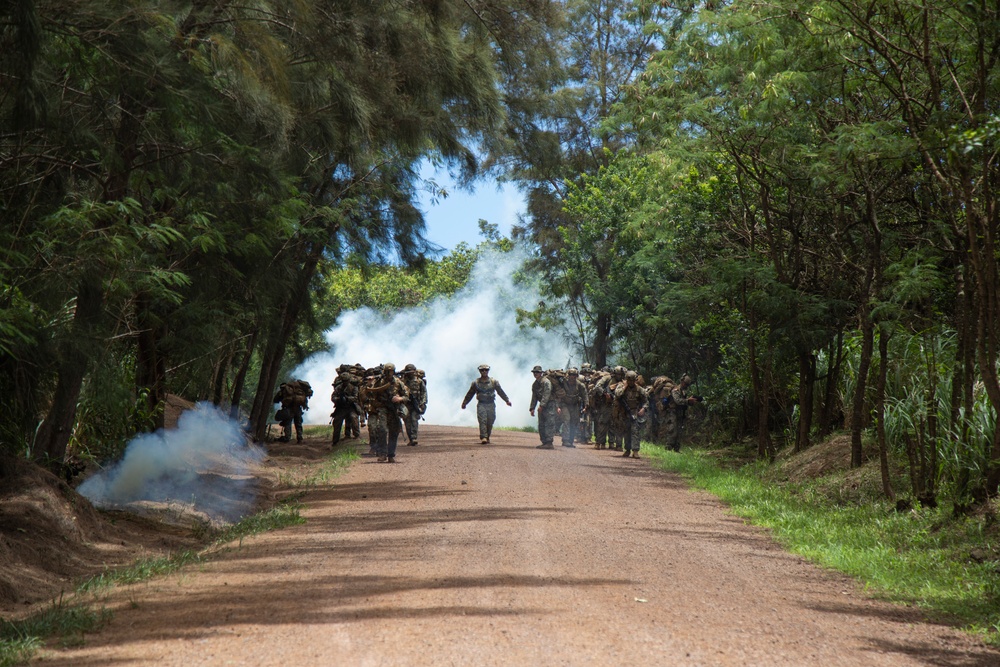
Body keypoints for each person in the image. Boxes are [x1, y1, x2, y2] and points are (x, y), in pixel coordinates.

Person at [368, 363, 409, 462]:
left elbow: (406, 396)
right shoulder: (379, 382)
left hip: (394, 410)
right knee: (382, 430)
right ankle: (382, 453)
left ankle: (391, 454)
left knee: (394, 433)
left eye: (391, 371)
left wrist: (399, 398)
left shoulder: (398, 382)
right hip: (383, 409)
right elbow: (371, 394)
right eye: (388, 371)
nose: (389, 373)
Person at [461, 364, 512, 444]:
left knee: (490, 421)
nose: (484, 371)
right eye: (482, 370)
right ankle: (483, 437)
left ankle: (487, 436)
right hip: (481, 404)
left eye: (486, 370)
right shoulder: (476, 383)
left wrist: (507, 400)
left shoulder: (494, 382)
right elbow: (470, 394)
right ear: (480, 371)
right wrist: (465, 403)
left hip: (491, 404)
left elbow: (500, 392)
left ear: (488, 371)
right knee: (482, 420)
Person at [615, 370, 648, 458]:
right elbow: (617, 395)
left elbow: (646, 401)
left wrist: (643, 409)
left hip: (634, 412)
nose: (631, 382)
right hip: (624, 413)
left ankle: (635, 450)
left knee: (635, 432)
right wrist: (624, 387)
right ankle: (627, 449)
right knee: (626, 432)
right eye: (629, 380)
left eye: (632, 380)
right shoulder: (621, 386)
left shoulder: (639, 389)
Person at [664, 374, 699, 452]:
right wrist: (687, 401)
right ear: (682, 382)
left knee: (680, 431)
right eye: (685, 384)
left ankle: (676, 449)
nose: (686, 386)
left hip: (680, 413)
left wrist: (690, 402)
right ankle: (668, 448)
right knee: (672, 430)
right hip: (672, 412)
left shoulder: (683, 391)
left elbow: (683, 402)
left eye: (687, 384)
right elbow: (678, 401)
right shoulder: (675, 390)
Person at [272, 379, 312, 443]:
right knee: (298, 423)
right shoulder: (299, 391)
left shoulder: (283, 391)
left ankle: (287, 438)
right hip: (298, 409)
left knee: (288, 423)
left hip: (289, 409)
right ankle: (300, 438)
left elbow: (275, 400)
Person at [557, 368, 588, 447]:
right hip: (564, 404)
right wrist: (558, 406)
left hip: (574, 405)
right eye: (571, 375)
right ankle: (565, 440)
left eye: (574, 375)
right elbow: (557, 394)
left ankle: (570, 441)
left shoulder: (580, 385)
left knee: (574, 422)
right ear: (568, 375)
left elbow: (585, 396)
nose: (572, 377)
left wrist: (586, 406)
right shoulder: (563, 383)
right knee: (567, 420)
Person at [330, 364, 361, 445]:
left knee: (354, 418)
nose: (345, 382)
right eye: (343, 381)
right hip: (341, 408)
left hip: (351, 406)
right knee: (337, 422)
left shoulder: (353, 387)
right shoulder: (338, 388)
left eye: (346, 381)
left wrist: (347, 398)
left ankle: (357, 436)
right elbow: (333, 397)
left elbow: (355, 397)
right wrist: (338, 400)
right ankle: (335, 441)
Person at [529, 365, 558, 449]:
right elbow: (534, 397)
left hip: (549, 405)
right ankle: (544, 442)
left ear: (541, 373)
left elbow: (547, 394)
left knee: (549, 423)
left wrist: (542, 405)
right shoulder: (535, 384)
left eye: (537, 372)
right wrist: (532, 408)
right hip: (542, 405)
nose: (535, 374)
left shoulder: (546, 382)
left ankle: (549, 442)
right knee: (541, 424)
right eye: (534, 372)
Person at [402, 364, 427, 445]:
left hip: (416, 404)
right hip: (406, 404)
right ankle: (410, 438)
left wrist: (423, 403)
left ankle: (413, 437)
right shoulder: (402, 381)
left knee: (414, 420)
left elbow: (424, 392)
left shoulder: (419, 381)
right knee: (407, 421)